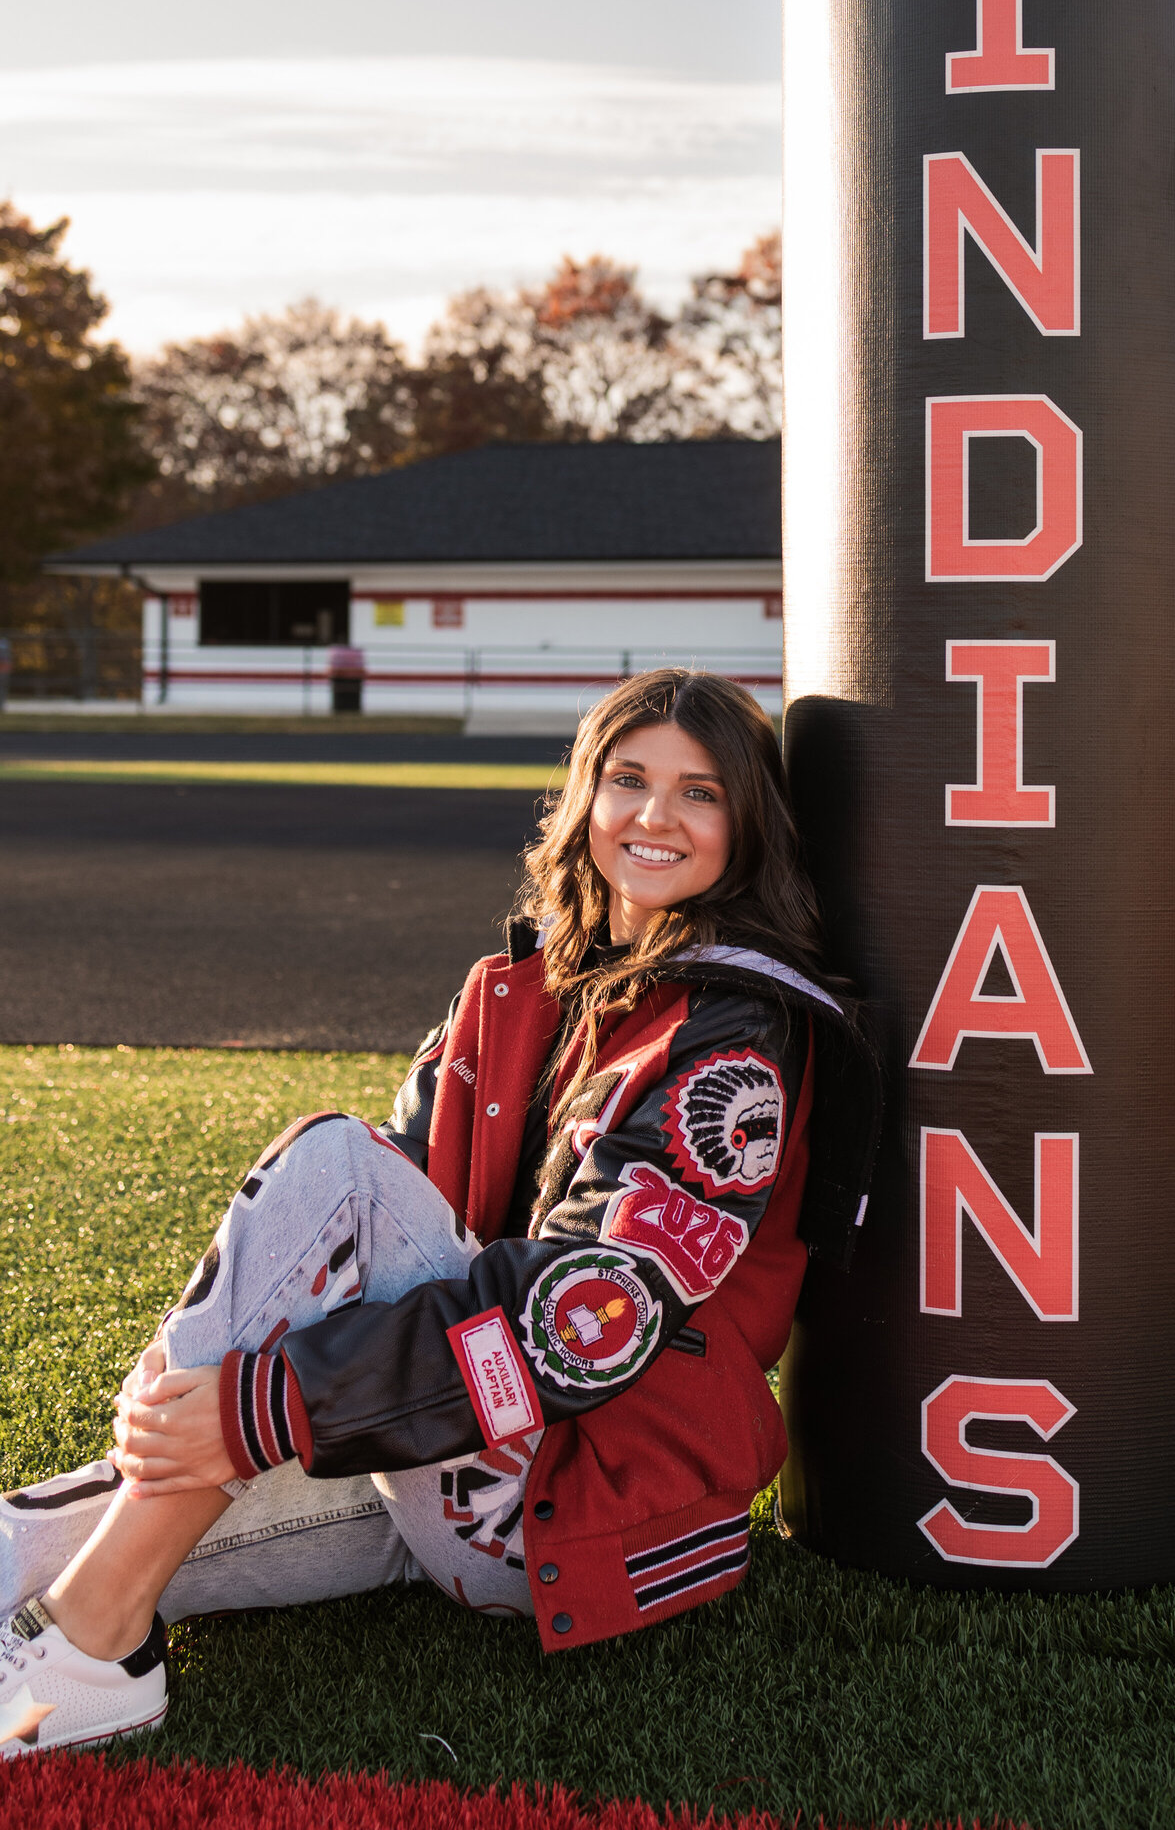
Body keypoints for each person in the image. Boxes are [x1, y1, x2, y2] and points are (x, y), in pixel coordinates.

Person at [0, 670, 876, 1760]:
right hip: (432, 1449)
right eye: (628, 779)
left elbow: (583, 1322)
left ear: (747, 826)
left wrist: (262, 1402)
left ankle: (94, 1653)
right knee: (17, 1550)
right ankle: (80, 1614)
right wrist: (210, 1386)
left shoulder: (738, 1041)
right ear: (582, 798)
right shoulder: (509, 989)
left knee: (337, 1164)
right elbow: (379, 1229)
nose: (654, 816)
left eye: (700, 793)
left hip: (566, 1501)